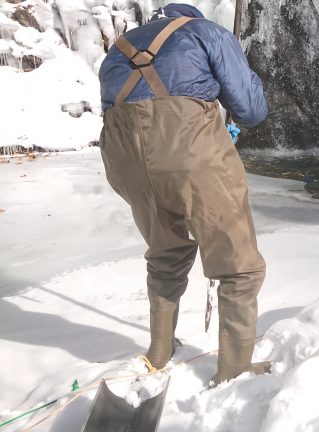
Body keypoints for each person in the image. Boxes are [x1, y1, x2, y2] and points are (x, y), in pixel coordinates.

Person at [98, 3, 269, 386]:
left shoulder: (118, 48)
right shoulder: (207, 33)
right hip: (188, 151)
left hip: (125, 161)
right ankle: (235, 369)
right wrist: (244, 73)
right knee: (239, 266)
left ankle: (159, 351)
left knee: (166, 251)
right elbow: (251, 110)